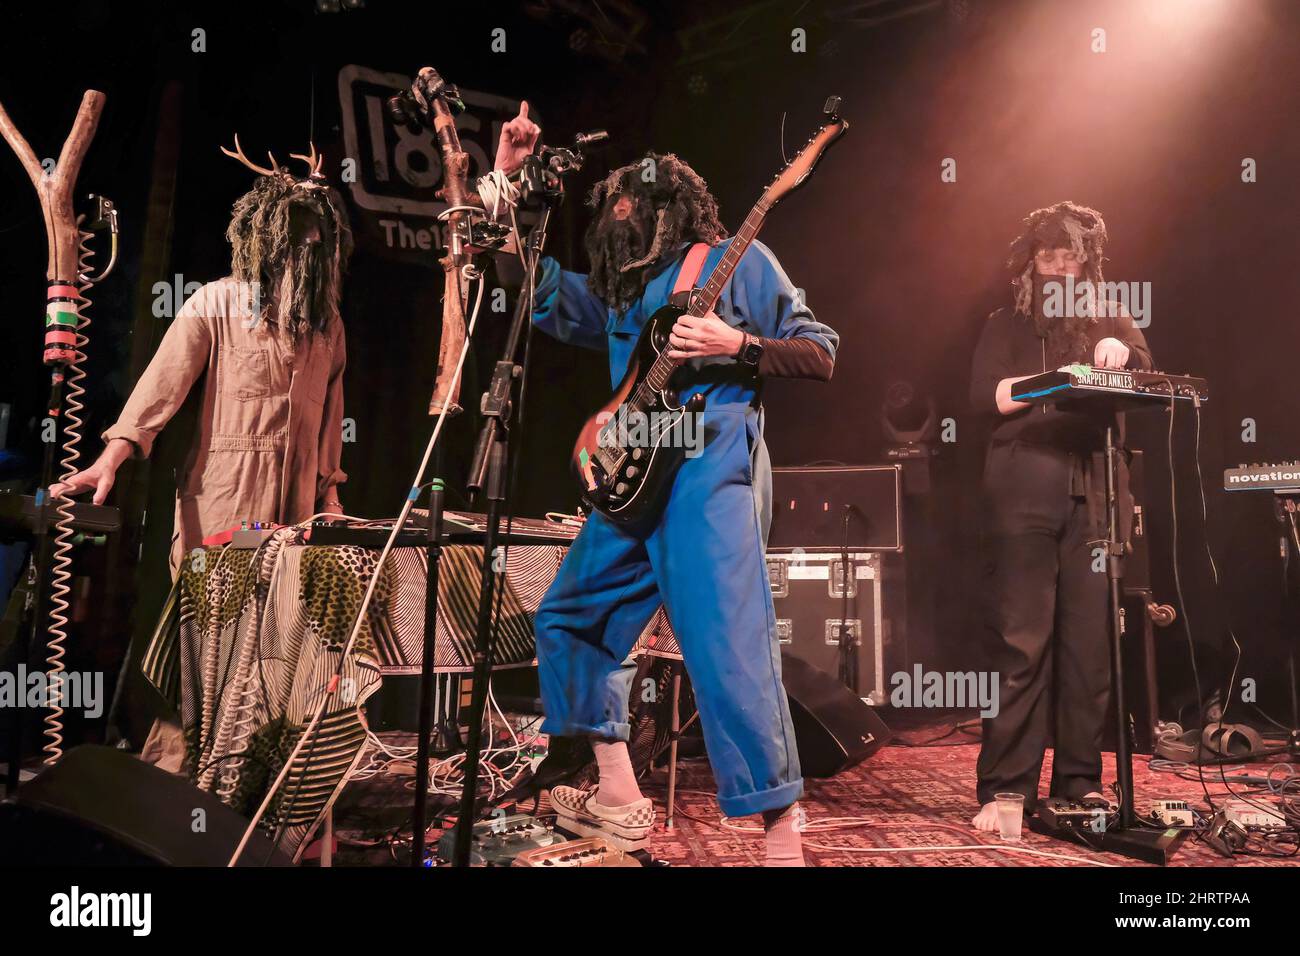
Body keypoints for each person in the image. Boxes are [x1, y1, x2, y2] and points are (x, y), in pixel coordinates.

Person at [494, 104, 839, 865]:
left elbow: (821, 352)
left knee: (727, 646)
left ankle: (781, 832)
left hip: (710, 462)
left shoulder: (737, 262)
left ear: (669, 210)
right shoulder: (620, 288)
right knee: (568, 617)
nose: (618, 217)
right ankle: (616, 792)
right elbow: (534, 289)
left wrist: (736, 342)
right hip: (632, 469)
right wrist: (515, 181)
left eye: (632, 205)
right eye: (609, 208)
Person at [50, 144, 353, 575]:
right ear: (267, 241)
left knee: (277, 634)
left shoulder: (327, 327)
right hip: (226, 505)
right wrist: (109, 460)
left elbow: (331, 421)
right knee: (214, 632)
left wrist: (330, 500)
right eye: (297, 236)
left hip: (297, 516)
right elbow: (161, 388)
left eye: (318, 239)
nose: (309, 248)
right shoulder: (217, 302)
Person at [968, 201, 1152, 831]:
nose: (1060, 270)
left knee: (1090, 647)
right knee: (1023, 643)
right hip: (1024, 488)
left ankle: (1080, 779)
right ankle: (1006, 788)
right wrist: (1054, 380)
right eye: (1048, 259)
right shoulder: (1006, 322)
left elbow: (1146, 372)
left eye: (1070, 259)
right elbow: (987, 394)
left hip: (1097, 491)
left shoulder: (1112, 315)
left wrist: (1117, 351)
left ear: (1087, 265)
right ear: (1031, 263)